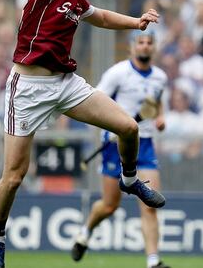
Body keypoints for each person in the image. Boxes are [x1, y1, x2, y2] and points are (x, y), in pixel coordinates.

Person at [0, 0, 166, 268]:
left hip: (65, 84)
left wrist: (136, 22)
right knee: (14, 175)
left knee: (128, 128)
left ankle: (130, 179)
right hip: (28, 87)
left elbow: (99, 17)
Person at [71, 31, 169, 268]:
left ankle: (153, 261)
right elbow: (95, 102)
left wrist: (160, 117)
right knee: (109, 205)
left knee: (150, 204)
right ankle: (85, 232)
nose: (145, 47)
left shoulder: (160, 77)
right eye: (141, 42)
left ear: (154, 48)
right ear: (132, 47)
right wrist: (112, 126)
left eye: (149, 43)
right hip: (116, 144)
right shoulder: (118, 73)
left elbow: (155, 104)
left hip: (144, 144)